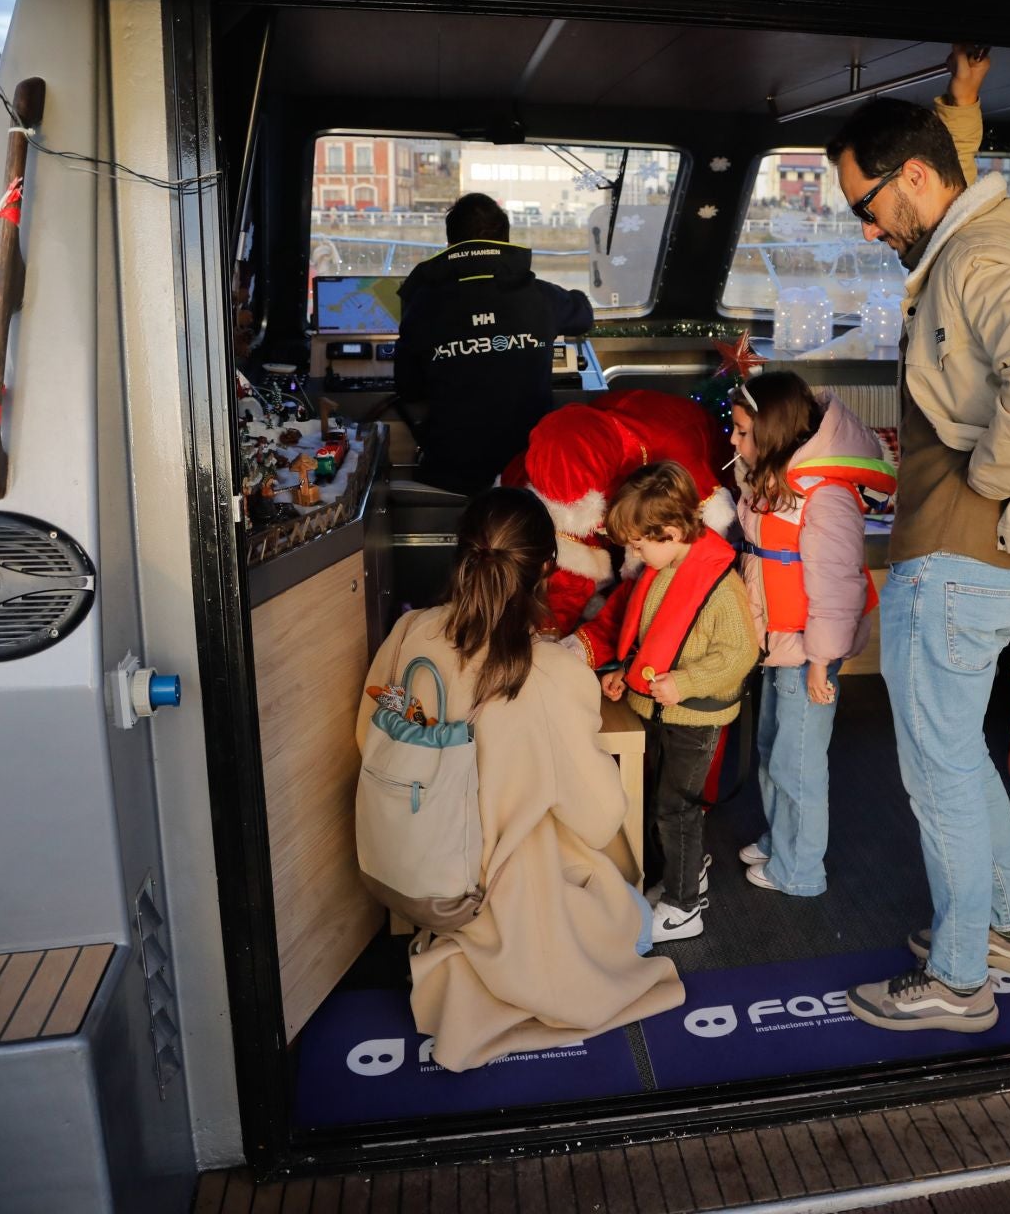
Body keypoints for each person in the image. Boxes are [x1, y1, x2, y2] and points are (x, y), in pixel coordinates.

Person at [826, 66, 1010, 1034]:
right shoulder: (983, 227)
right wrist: (962, 102)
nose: (868, 231)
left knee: (936, 770)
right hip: (977, 560)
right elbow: (951, 164)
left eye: (867, 207)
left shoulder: (974, 262)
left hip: (955, 557)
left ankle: (961, 979)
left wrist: (988, 477)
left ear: (913, 178)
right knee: (961, 752)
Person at [356, 488, 682, 1071]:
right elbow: (600, 816)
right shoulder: (552, 672)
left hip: (413, 864)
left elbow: (368, 738)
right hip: (508, 907)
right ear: (546, 572)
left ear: (459, 555)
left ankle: (452, 956)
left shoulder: (412, 632)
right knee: (636, 920)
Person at [730, 370, 895, 897]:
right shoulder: (776, 483)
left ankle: (800, 870)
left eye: (741, 432)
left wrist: (822, 660)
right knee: (771, 744)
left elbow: (838, 585)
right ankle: (782, 839)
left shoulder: (825, 497)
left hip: (810, 649)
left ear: (773, 435)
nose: (732, 442)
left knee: (796, 760)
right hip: (782, 640)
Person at [598, 462, 759, 944]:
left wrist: (687, 681)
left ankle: (686, 906)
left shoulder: (718, 587)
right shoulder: (666, 566)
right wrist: (625, 675)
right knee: (659, 801)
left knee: (678, 807)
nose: (634, 551)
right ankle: (685, 875)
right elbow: (654, 635)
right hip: (660, 711)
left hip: (694, 716)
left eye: (639, 543)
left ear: (669, 532)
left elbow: (740, 652)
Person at [394, 193, 594, 495]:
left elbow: (408, 389)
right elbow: (583, 315)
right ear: (506, 240)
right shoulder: (541, 297)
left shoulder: (421, 305)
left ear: (450, 245)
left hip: (452, 471)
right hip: (527, 471)